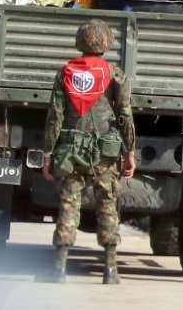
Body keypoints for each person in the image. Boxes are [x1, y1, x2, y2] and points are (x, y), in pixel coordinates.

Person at [39, 19, 137, 284]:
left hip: (71, 150)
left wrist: (47, 153)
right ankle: (110, 270)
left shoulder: (65, 72)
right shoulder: (115, 74)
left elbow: (55, 118)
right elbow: (125, 115)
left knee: (69, 204)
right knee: (107, 203)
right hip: (105, 153)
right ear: (106, 43)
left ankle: (59, 269)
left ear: (80, 41)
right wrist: (130, 151)